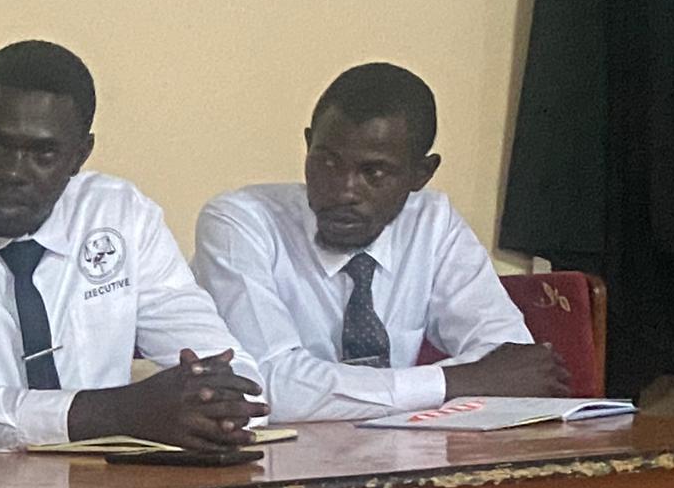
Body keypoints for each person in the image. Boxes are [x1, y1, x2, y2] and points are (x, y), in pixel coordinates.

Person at [0, 40, 265, 456]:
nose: (13, 172)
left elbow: (234, 373)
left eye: (43, 153)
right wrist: (115, 413)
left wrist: (220, 410)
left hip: (106, 481)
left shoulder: (119, 212)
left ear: (81, 154)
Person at [192, 63, 567, 422]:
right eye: (327, 162)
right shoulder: (241, 223)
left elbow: (512, 361)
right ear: (308, 146)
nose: (344, 190)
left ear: (421, 173)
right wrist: (455, 382)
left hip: (394, 453)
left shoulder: (432, 224)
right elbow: (265, 385)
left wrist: (327, 394)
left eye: (373, 172)